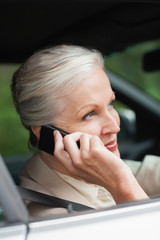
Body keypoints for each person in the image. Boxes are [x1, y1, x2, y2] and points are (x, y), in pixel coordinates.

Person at [11, 44, 160, 217]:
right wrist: (122, 185)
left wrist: (119, 177)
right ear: (45, 133)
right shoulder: (54, 220)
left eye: (110, 104)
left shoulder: (86, 167)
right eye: (89, 114)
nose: (114, 126)